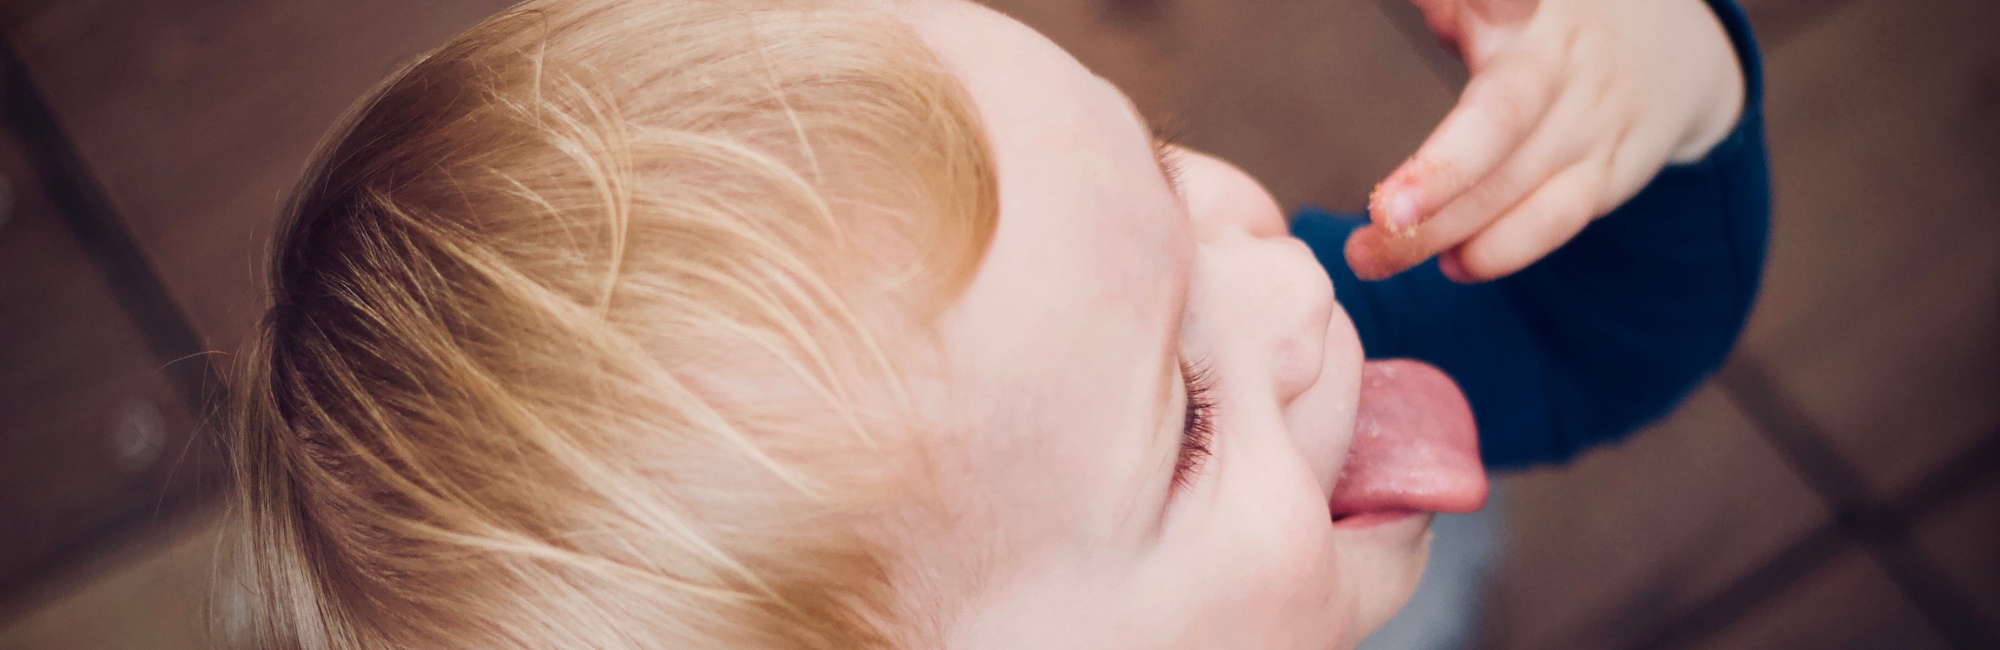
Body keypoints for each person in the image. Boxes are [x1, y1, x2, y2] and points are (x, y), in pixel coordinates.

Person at [220, 0, 1765, 648]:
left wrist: (1663, 102)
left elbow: (1581, 340)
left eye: (1160, 162)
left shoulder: (1126, 376)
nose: (1295, 278)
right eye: (1191, 418)